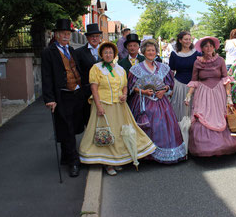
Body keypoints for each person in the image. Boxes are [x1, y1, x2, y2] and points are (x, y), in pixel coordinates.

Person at [79, 42, 156, 175]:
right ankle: (107, 164)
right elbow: (94, 88)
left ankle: (117, 160)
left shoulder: (119, 69)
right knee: (106, 134)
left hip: (119, 106)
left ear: (114, 54)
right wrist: (98, 106)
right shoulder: (96, 68)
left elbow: (125, 86)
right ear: (101, 55)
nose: (108, 55)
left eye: (110, 52)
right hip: (104, 104)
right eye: (105, 52)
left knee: (120, 133)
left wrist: (125, 95)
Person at [128, 39, 186, 164]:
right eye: (148, 50)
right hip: (143, 102)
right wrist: (143, 92)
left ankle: (162, 154)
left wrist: (163, 90)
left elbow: (169, 85)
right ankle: (146, 154)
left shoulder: (164, 68)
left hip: (161, 102)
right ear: (143, 52)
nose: (150, 52)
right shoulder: (136, 69)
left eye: (153, 50)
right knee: (145, 125)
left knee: (163, 127)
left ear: (156, 52)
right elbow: (131, 87)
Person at [42, 19, 86, 177]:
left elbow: (77, 69)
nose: (66, 36)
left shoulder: (72, 50)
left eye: (68, 33)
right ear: (57, 35)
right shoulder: (49, 52)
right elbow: (46, 77)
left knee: (73, 127)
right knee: (66, 128)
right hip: (62, 95)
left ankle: (66, 156)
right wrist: (49, 98)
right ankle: (74, 162)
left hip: (77, 94)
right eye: (63, 33)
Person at [185, 36, 236, 156]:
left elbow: (226, 79)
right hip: (203, 94)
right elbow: (194, 80)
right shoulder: (197, 62)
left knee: (219, 117)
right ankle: (203, 146)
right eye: (206, 46)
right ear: (202, 49)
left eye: (210, 45)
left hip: (218, 93)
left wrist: (229, 97)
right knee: (202, 116)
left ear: (214, 47)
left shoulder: (220, 60)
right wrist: (188, 95)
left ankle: (223, 144)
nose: (208, 48)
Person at [169, 31, 201, 122]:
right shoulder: (174, 54)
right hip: (179, 85)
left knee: (193, 111)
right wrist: (171, 87)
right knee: (179, 111)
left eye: (189, 39)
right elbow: (171, 71)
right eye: (185, 39)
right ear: (180, 40)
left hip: (194, 86)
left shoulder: (196, 53)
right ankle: (180, 134)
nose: (188, 41)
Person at [75, 23, 102, 126]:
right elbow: (78, 72)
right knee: (89, 118)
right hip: (87, 91)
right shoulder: (79, 52)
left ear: (99, 37)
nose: (94, 38)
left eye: (96, 36)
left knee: (102, 116)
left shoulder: (105, 51)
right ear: (87, 38)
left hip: (103, 91)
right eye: (92, 36)